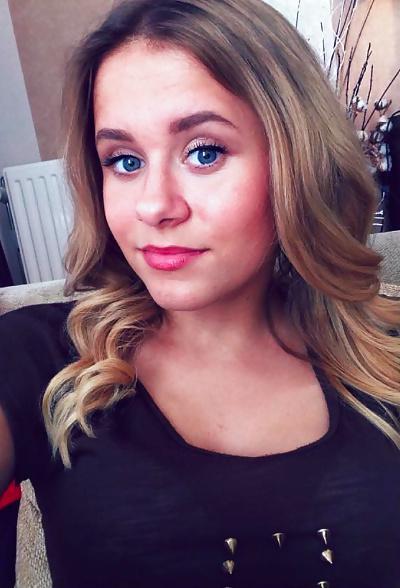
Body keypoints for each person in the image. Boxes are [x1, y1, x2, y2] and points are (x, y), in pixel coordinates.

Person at [0, 0, 399, 586]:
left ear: (297, 160)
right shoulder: (40, 357)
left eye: (204, 152)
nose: (154, 205)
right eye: (124, 161)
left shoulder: (387, 351)